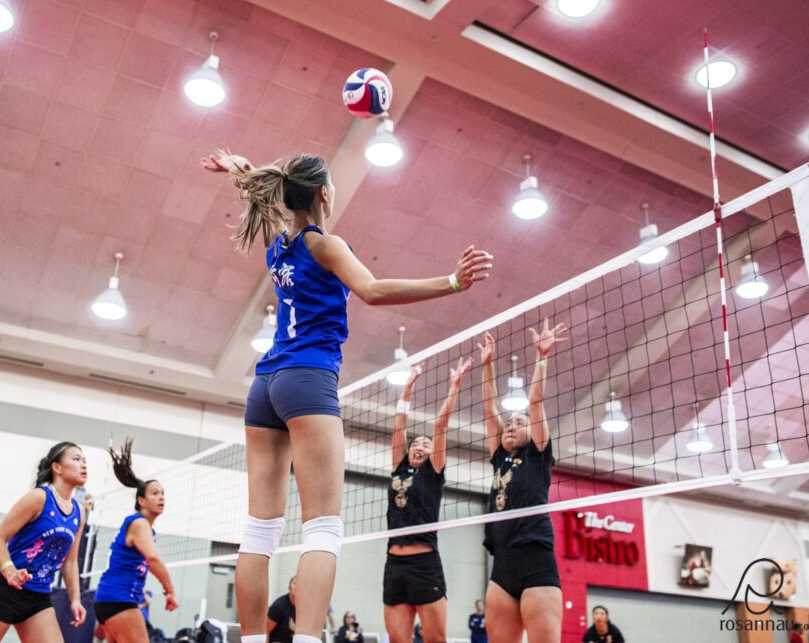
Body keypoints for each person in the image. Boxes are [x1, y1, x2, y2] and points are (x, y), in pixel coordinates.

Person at [201, 151, 492, 643]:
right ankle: (310, 639)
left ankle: (250, 640)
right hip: (307, 379)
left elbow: (265, 194)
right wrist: (451, 282)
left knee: (259, 530)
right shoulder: (324, 244)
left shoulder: (280, 244)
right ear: (322, 194)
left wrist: (240, 169)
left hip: (265, 384)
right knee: (322, 528)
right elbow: (373, 290)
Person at [480, 320, 567, 643]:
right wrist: (488, 364)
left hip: (535, 560)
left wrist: (541, 357)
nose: (511, 425)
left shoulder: (538, 454)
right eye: (509, 423)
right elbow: (490, 410)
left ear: (533, 432)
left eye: (519, 423)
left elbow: (535, 403)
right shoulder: (499, 457)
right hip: (501, 565)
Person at [384, 358, 472, 643]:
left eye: (426, 444)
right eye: (416, 443)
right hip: (394, 565)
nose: (420, 445)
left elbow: (441, 426)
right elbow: (399, 426)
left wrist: (454, 386)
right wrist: (408, 387)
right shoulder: (399, 466)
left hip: (425, 564)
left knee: (435, 640)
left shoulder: (433, 473)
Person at [0, 441, 88, 643]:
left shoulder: (79, 512)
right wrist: (10, 571)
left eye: (85, 461)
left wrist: (75, 599)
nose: (83, 464)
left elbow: (70, 562)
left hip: (38, 596)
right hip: (6, 591)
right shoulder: (38, 497)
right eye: (76, 459)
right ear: (56, 467)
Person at [93, 439, 179, 643]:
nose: (161, 498)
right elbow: (153, 559)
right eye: (155, 493)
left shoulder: (145, 529)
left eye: (163, 494)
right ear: (141, 501)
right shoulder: (139, 523)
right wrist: (170, 591)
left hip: (112, 599)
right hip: (118, 599)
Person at [266, 577, 297, 643]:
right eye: (295, 584)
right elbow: (265, 631)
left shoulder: (305, 607)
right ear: (289, 587)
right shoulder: (279, 606)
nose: (298, 587)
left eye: (301, 585)